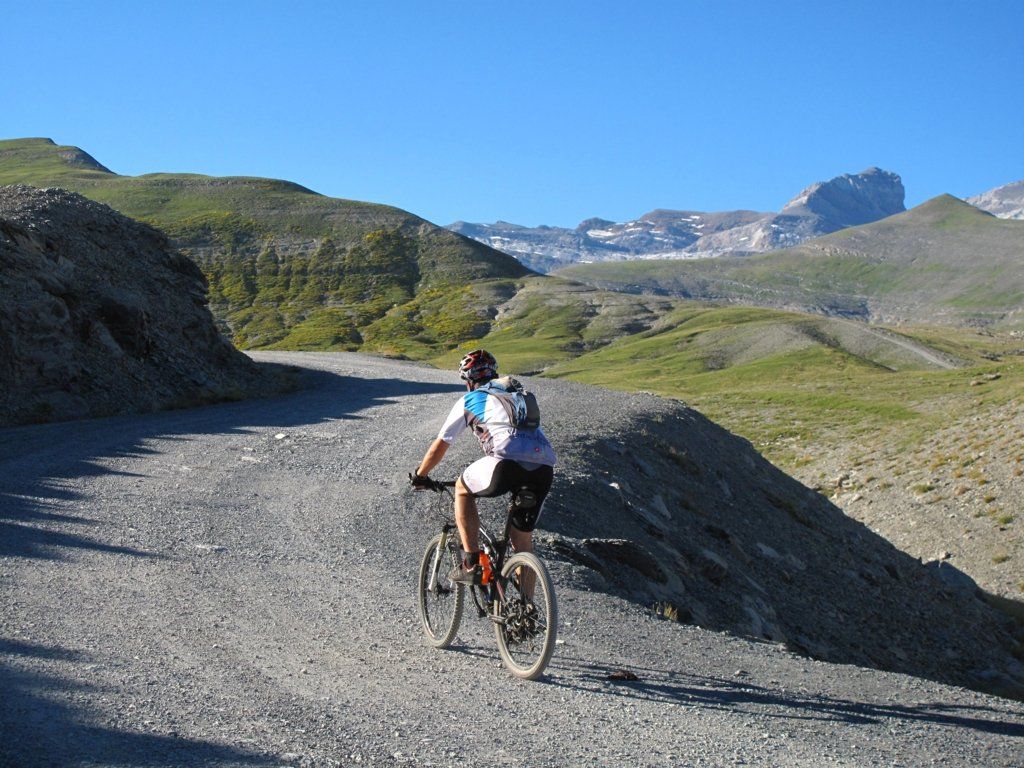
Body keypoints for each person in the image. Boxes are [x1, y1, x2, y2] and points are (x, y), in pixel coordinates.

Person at [411, 349, 557, 585]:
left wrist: (421, 475)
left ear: (469, 381)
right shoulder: (517, 395)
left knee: (462, 488)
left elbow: (441, 445)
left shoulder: (470, 399)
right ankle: (526, 615)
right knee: (522, 545)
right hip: (543, 467)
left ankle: (472, 564)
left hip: (504, 462)